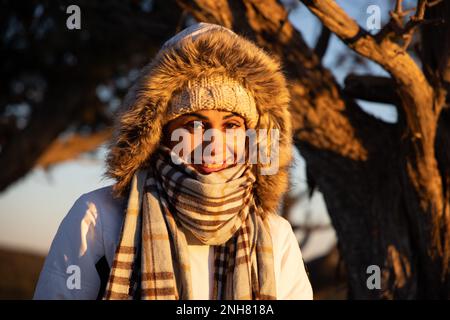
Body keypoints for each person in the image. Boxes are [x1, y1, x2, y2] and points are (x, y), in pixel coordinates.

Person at [33, 22, 313, 300]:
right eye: (194, 125)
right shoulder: (100, 217)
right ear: (159, 132)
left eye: (231, 126)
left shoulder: (276, 235)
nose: (214, 145)